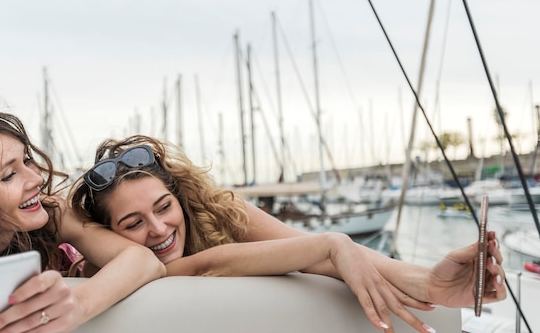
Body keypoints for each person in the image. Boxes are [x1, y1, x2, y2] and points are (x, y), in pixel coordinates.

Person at [69, 134, 507, 333]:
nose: (159, 228)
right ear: (109, 234)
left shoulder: (220, 212)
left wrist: (428, 281)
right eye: (133, 224)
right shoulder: (106, 269)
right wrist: (333, 242)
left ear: (179, 198)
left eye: (164, 207)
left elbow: (297, 251)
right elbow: (203, 267)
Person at [0, 112, 166, 333]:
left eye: (26, 160)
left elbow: (143, 260)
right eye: (9, 175)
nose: (36, 178)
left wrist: (78, 305)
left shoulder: (51, 213)